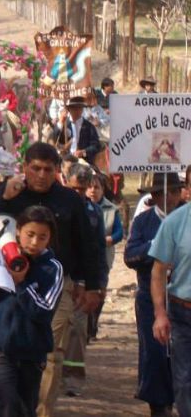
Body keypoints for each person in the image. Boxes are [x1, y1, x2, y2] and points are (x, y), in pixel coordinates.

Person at [0, 142, 102, 417]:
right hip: (8, 284)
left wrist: (92, 285)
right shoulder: (10, 194)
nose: (42, 174)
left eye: (48, 169)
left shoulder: (70, 200)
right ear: (25, 167)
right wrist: (2, 197)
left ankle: (41, 411)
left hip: (55, 284)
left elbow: (88, 244)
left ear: (57, 170)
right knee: (7, 353)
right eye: (35, 168)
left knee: (50, 353)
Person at [0, 206, 64, 417]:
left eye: (42, 237)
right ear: (18, 231)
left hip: (32, 351)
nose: (34, 242)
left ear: (50, 238)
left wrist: (21, 283)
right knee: (7, 401)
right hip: (1, 347)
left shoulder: (53, 268)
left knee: (25, 406)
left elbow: (44, 311)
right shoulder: (1, 256)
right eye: (30, 235)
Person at [125, 173, 185, 417]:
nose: (169, 197)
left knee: (182, 355)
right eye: (163, 192)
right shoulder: (143, 221)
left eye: (173, 191)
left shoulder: (186, 218)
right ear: (155, 196)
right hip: (151, 299)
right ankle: (159, 406)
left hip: (183, 297)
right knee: (155, 354)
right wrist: (158, 247)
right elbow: (130, 256)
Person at [61, 163, 107, 398]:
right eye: (74, 189)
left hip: (82, 281)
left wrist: (97, 284)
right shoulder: (57, 206)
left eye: (82, 189)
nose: (78, 194)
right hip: (59, 279)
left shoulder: (94, 212)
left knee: (78, 330)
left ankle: (73, 377)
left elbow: (97, 250)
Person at [149, 173, 191, 417]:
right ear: (188, 188)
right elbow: (158, 271)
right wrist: (159, 313)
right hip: (183, 312)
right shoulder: (175, 223)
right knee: (185, 381)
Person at [86, 173, 124, 341]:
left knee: (100, 290)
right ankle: (86, 325)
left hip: (103, 256)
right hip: (84, 257)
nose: (93, 191)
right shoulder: (79, 206)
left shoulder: (110, 209)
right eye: (90, 187)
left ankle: (94, 321)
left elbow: (119, 232)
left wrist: (110, 239)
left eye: (97, 187)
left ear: (103, 190)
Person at [53, 96, 100, 165]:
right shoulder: (64, 124)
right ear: (69, 109)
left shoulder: (89, 126)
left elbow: (96, 145)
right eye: (74, 108)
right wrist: (60, 122)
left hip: (84, 161)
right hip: (65, 160)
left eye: (80, 108)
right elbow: (54, 138)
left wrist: (83, 152)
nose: (77, 111)